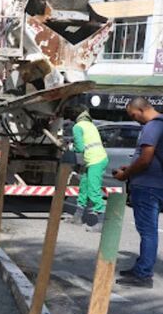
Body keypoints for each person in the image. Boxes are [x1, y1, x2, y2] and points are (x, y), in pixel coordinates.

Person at [112, 97, 163, 288]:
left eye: (133, 115)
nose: (133, 119)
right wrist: (131, 168)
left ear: (141, 110)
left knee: (148, 231)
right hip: (156, 184)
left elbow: (145, 159)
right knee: (148, 231)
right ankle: (141, 267)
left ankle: (143, 274)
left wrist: (126, 174)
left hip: (147, 186)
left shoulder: (153, 126)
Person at [69, 107, 109, 229]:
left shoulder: (77, 127)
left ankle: (101, 223)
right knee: (84, 187)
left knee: (93, 190)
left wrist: (70, 147)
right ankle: (78, 216)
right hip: (98, 158)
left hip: (95, 160)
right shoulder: (91, 125)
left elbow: (80, 148)